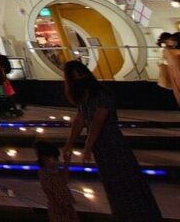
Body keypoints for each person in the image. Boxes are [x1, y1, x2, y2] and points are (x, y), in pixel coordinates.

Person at [61, 60, 162, 221]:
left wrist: (87, 146)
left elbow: (97, 122)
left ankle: (137, 213)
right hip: (100, 143)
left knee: (123, 177)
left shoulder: (101, 94)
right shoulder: (87, 95)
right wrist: (69, 143)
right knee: (113, 180)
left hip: (110, 140)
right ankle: (126, 212)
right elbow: (80, 120)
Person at [35, 140, 79, 222]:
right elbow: (57, 191)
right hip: (59, 209)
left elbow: (65, 180)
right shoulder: (45, 174)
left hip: (65, 207)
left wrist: (66, 162)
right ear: (45, 158)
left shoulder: (54, 170)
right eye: (55, 158)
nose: (57, 161)